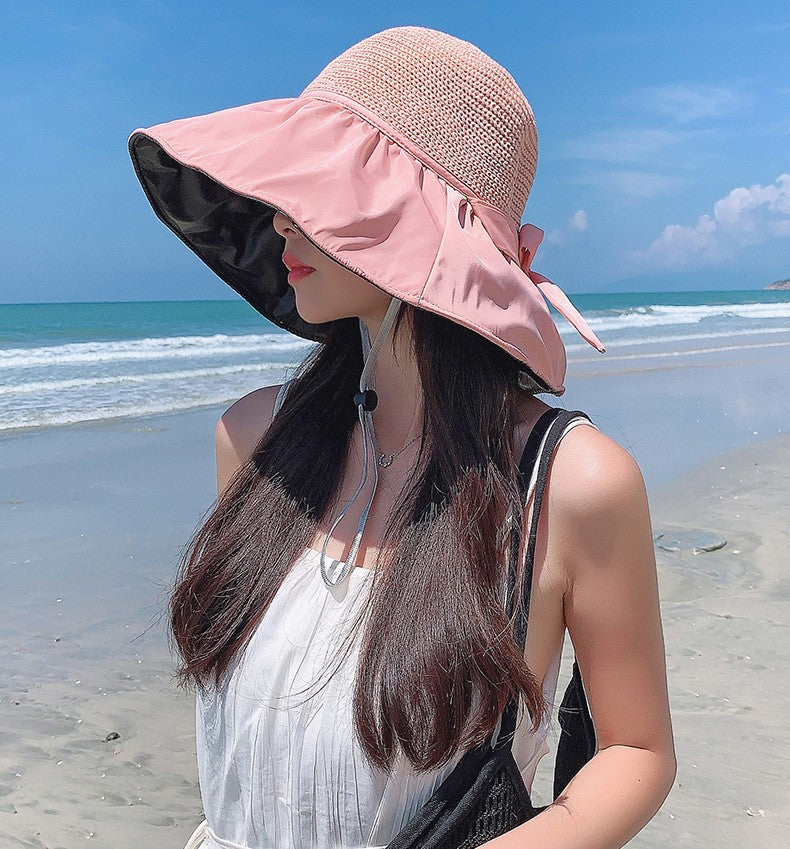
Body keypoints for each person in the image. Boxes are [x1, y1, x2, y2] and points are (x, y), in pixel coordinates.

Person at [128, 25, 676, 849]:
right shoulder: (253, 439)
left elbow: (637, 749)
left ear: (418, 221)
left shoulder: (570, 483)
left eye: (318, 188)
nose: (281, 218)